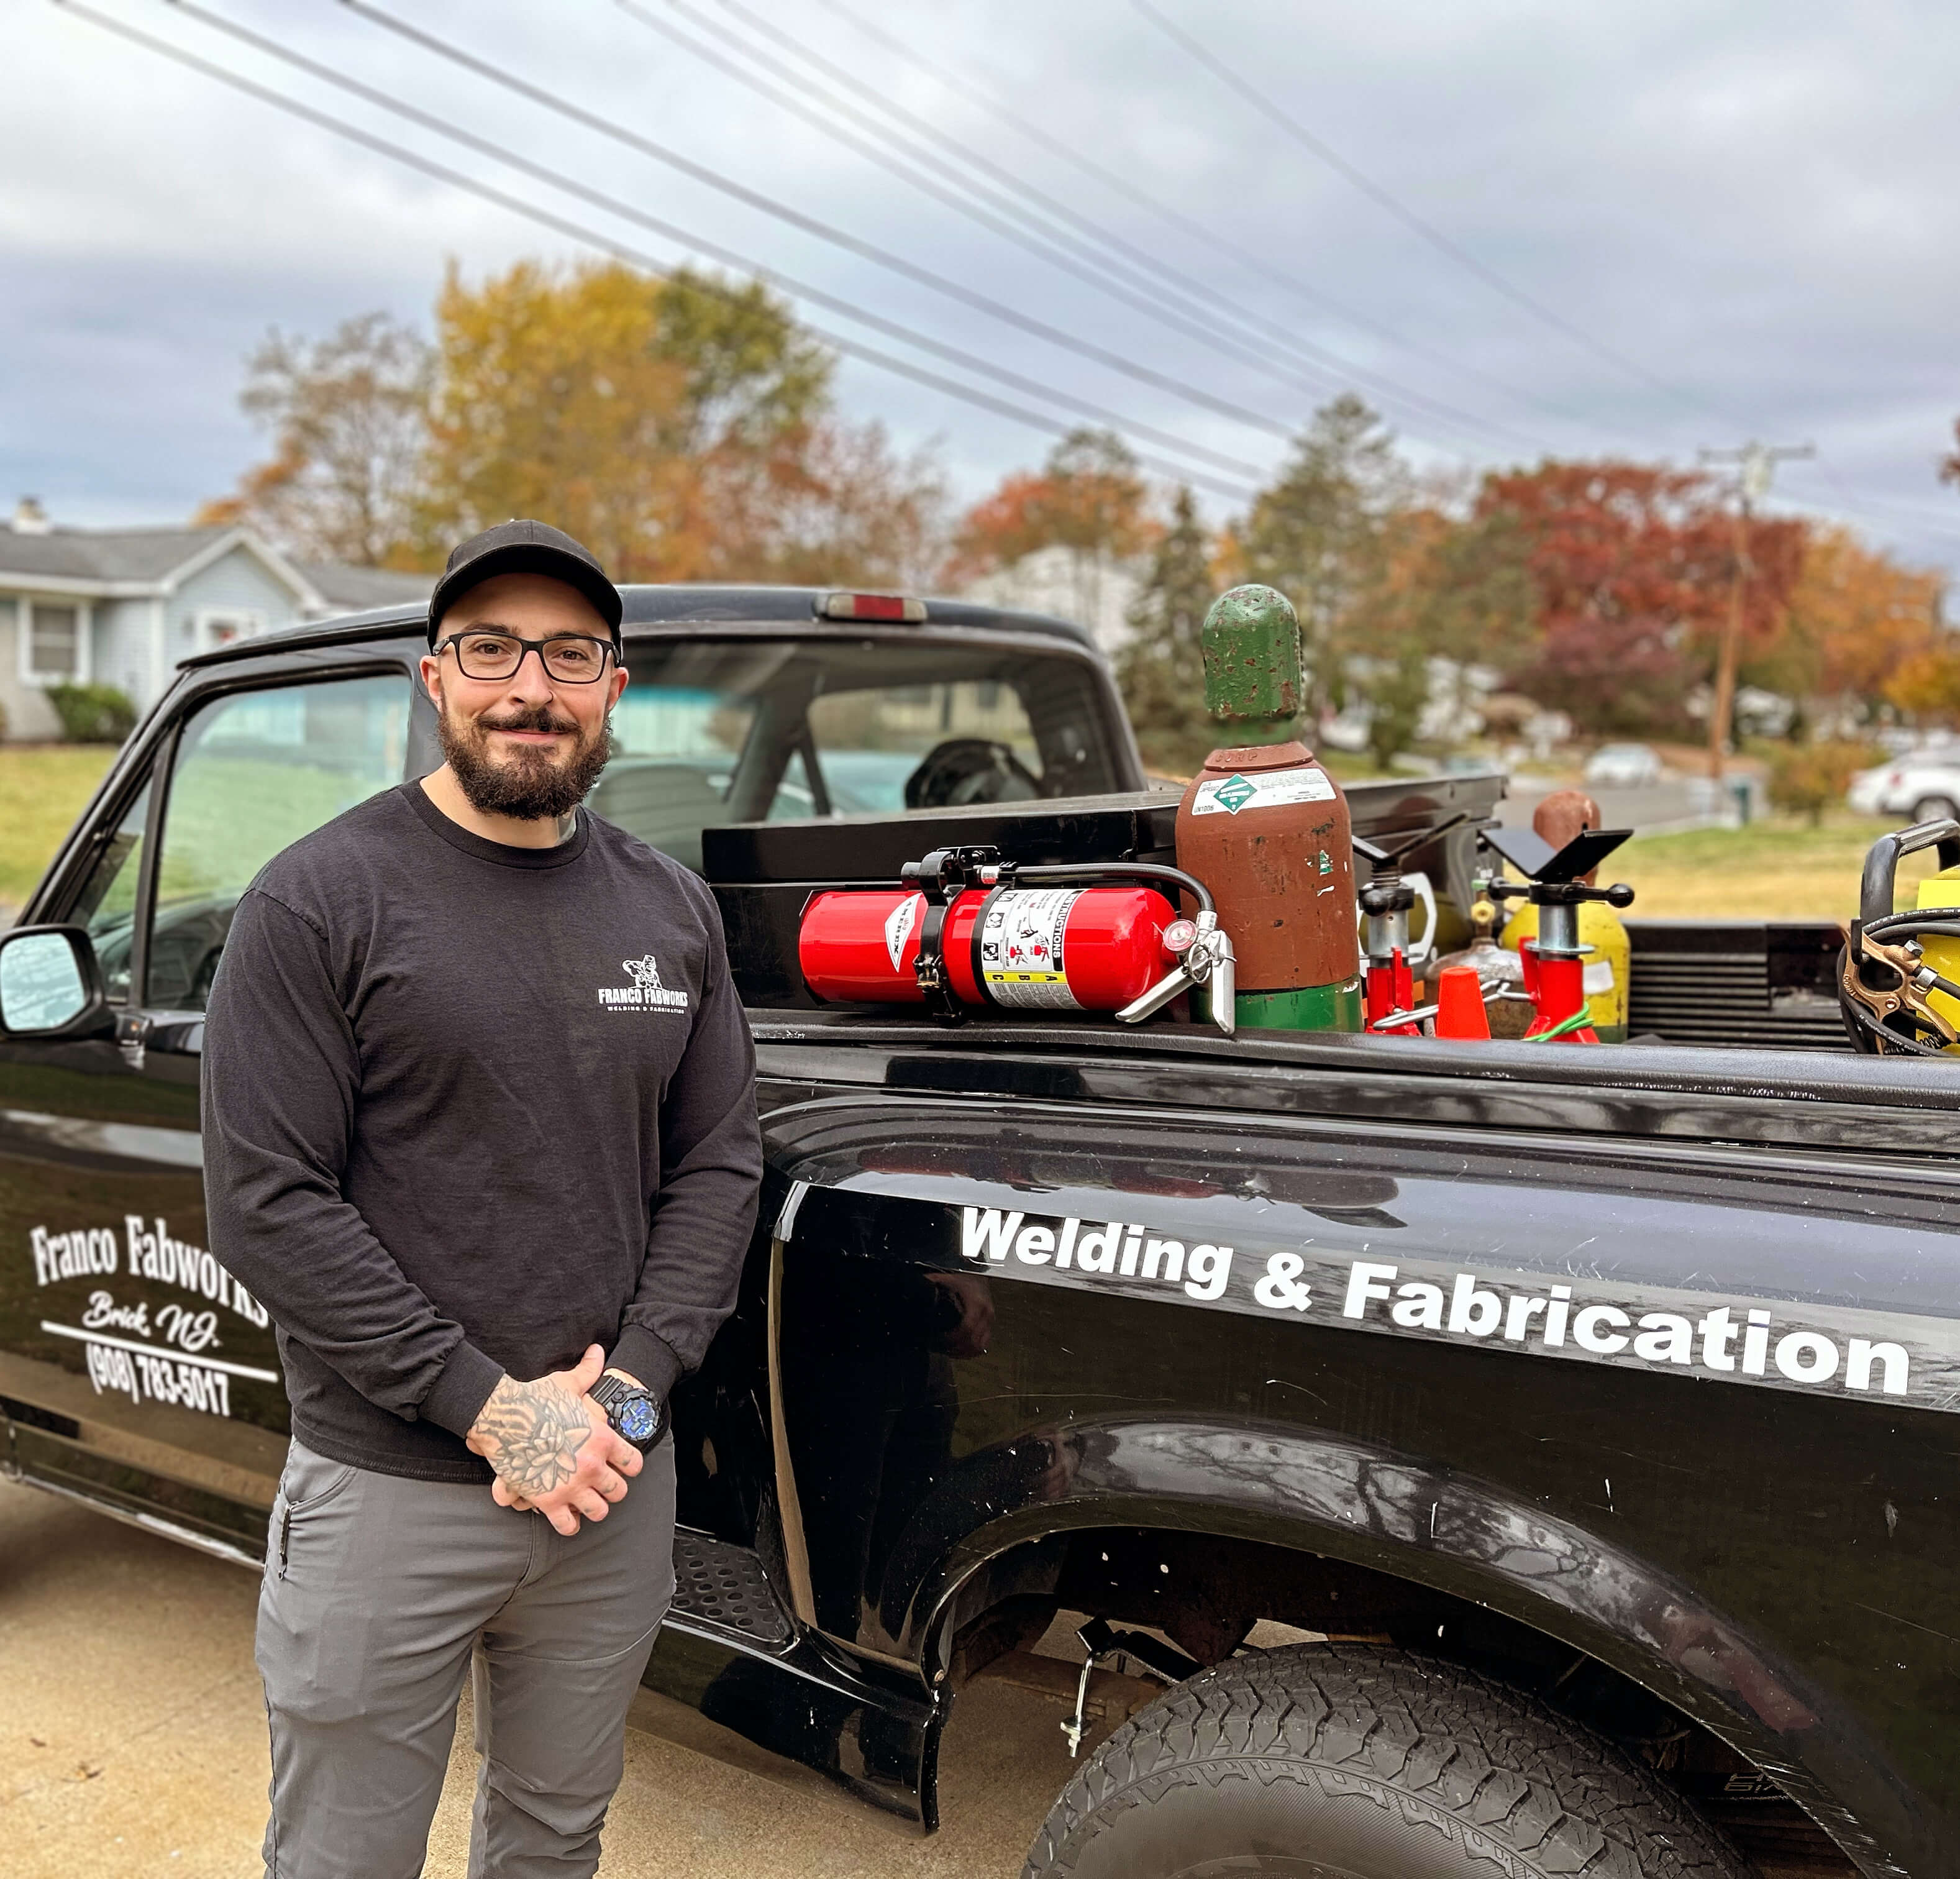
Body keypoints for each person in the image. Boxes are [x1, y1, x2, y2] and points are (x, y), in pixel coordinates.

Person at [201, 519, 763, 1878]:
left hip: (609, 1487)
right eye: (492, 649)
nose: (532, 687)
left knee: (556, 1835)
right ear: (434, 680)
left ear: (614, 687)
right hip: (390, 1489)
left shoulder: (671, 913)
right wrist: (497, 1413)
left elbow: (718, 1164)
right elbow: (269, 1203)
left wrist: (623, 1400)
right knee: (346, 1854)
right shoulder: (320, 903)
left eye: (570, 653)